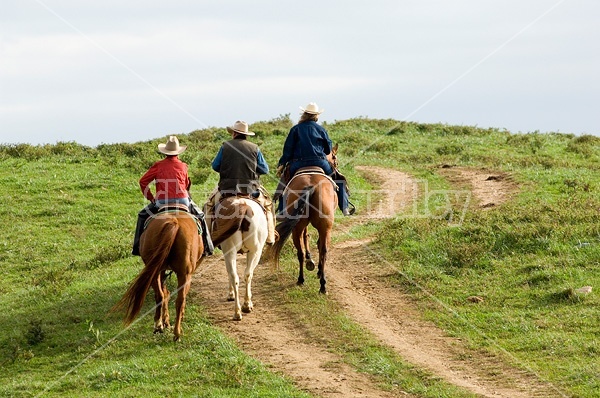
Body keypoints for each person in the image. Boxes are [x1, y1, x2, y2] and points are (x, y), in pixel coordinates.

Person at [132, 135, 213, 256]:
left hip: (162, 202)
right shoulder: (184, 166)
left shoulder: (158, 165)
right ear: (178, 152)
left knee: (142, 215)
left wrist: (151, 197)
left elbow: (143, 181)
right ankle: (207, 247)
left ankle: (137, 247)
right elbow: (186, 185)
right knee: (200, 215)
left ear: (165, 152)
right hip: (183, 201)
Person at [276, 102, 353, 216]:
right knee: (339, 179)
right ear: (316, 116)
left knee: (285, 181)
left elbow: (288, 150)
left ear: (304, 114)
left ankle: (282, 211)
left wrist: (282, 163)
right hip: (320, 162)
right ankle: (345, 207)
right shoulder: (321, 129)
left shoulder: (295, 129)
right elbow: (327, 150)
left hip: (298, 164)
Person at [205, 120, 276, 244]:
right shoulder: (255, 148)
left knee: (209, 206)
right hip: (251, 190)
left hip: (227, 189)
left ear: (234, 133)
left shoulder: (225, 146)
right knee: (268, 206)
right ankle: (270, 236)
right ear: (246, 135)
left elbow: (215, 166)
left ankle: (208, 240)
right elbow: (265, 169)